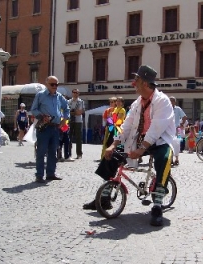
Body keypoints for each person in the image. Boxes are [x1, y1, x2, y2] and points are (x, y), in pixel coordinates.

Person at [85, 65, 176, 227]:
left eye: (137, 80)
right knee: (112, 155)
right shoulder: (136, 104)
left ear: (146, 84)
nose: (134, 82)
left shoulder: (163, 101)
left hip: (159, 141)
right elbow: (127, 126)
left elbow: (156, 128)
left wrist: (141, 150)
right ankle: (104, 197)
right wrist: (113, 144)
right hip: (140, 140)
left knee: (164, 158)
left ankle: (157, 205)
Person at [31, 76, 70, 183]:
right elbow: (33, 109)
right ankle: (39, 175)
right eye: (52, 84)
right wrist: (42, 116)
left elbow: (67, 108)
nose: (54, 87)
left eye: (56, 85)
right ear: (47, 84)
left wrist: (64, 119)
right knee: (41, 151)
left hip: (56, 127)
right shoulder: (40, 95)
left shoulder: (59, 96)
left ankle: (51, 173)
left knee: (53, 152)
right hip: (44, 127)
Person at [170, 96, 187, 165]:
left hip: (177, 129)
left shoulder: (178, 109)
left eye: (172, 101)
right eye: (170, 101)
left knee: (176, 144)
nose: (171, 102)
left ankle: (176, 159)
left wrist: (181, 124)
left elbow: (184, 117)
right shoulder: (166, 108)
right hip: (168, 129)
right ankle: (170, 159)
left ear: (175, 102)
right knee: (169, 144)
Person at [68, 88, 85, 159]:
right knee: (69, 137)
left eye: (77, 93)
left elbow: (81, 112)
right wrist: (75, 112)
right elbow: (67, 111)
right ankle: (68, 153)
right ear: (72, 93)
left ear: (78, 94)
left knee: (79, 138)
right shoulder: (68, 101)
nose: (75, 94)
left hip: (78, 121)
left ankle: (79, 154)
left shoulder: (81, 102)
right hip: (70, 121)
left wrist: (73, 112)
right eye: (74, 92)